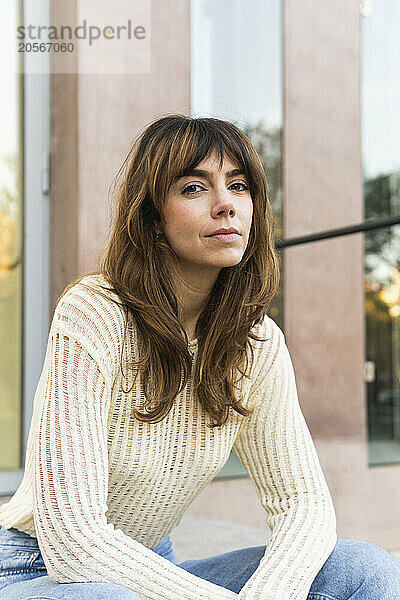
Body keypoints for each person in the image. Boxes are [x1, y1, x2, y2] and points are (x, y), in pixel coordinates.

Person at [0, 114, 399, 600]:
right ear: (152, 217)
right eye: (194, 188)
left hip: (149, 564)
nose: (225, 205)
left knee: (365, 569)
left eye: (238, 186)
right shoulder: (94, 313)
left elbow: (302, 504)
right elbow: (73, 543)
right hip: (33, 569)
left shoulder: (257, 345)